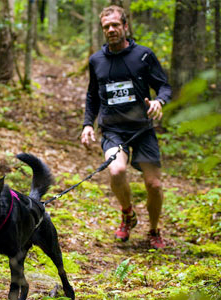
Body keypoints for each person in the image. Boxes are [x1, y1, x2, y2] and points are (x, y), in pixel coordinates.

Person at [80, 5, 172, 249]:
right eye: (106, 27)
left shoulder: (143, 55)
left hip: (142, 129)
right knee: (116, 171)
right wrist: (88, 123)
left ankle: (153, 230)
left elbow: (164, 86)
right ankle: (127, 214)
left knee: (154, 185)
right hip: (113, 130)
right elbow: (92, 96)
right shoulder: (96, 60)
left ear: (125, 26)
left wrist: (158, 101)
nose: (111, 30)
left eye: (115, 25)